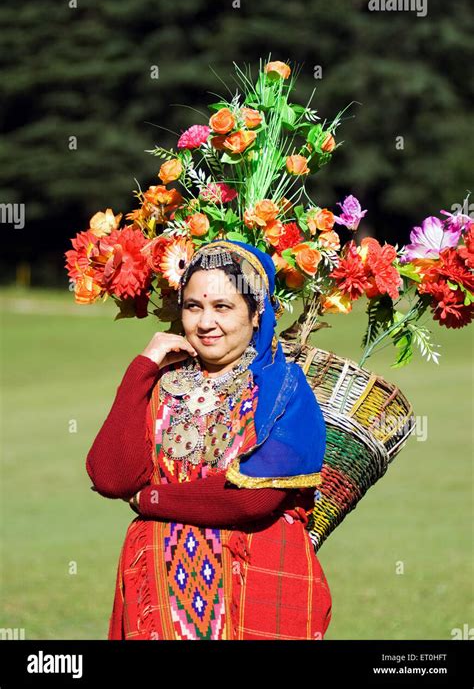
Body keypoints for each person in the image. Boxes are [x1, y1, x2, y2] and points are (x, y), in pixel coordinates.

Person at [86, 239, 332, 640]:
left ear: (257, 314)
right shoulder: (163, 383)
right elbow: (112, 478)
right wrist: (142, 369)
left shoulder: (283, 389)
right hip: (159, 593)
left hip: (254, 586)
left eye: (223, 307)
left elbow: (252, 497)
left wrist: (152, 500)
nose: (205, 323)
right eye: (193, 306)